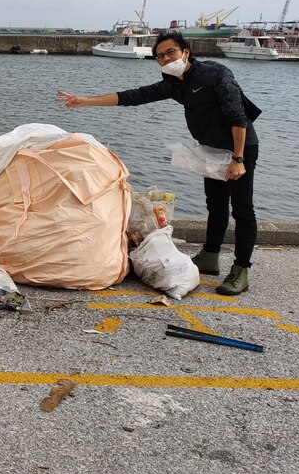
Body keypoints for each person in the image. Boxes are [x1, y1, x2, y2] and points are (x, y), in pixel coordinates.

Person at [56, 31, 260, 295]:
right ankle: (210, 257)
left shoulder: (215, 74)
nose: (165, 59)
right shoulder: (175, 84)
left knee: (242, 209)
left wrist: (238, 159)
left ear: (186, 52)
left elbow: (237, 117)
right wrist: (86, 100)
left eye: (170, 53)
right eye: (160, 57)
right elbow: (134, 96)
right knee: (216, 205)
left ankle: (241, 270)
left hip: (240, 149)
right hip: (211, 150)